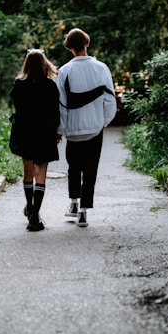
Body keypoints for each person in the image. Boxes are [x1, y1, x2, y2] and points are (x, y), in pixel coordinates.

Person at [56, 28, 117, 227]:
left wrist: (61, 128)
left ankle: (73, 203)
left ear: (69, 48)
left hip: (73, 131)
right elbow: (109, 99)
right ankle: (83, 212)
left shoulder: (64, 71)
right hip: (94, 129)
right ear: (87, 44)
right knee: (90, 170)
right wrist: (104, 121)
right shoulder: (101, 68)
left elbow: (61, 103)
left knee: (73, 168)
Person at [9, 49, 60, 231]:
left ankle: (29, 206)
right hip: (44, 132)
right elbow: (55, 112)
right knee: (41, 174)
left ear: (27, 64)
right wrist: (57, 132)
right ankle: (34, 217)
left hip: (24, 132)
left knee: (28, 172)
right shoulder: (50, 86)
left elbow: (16, 106)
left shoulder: (19, 85)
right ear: (44, 63)